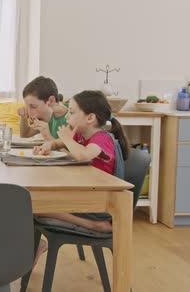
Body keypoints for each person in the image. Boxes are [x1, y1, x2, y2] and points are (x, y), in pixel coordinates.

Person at [32, 90, 130, 265]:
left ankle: (94, 225)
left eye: (72, 112)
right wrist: (49, 144)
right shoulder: (81, 136)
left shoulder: (102, 139)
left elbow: (84, 155)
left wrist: (67, 139)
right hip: (85, 196)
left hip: (98, 204)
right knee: (33, 202)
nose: (67, 117)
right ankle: (32, 248)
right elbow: (58, 143)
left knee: (35, 206)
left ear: (90, 118)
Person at [17, 76, 68, 141]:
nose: (29, 113)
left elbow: (75, 151)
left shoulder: (73, 117)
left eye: (33, 106)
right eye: (27, 107)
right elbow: (25, 135)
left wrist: (48, 136)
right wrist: (23, 117)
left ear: (51, 101)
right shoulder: (46, 117)